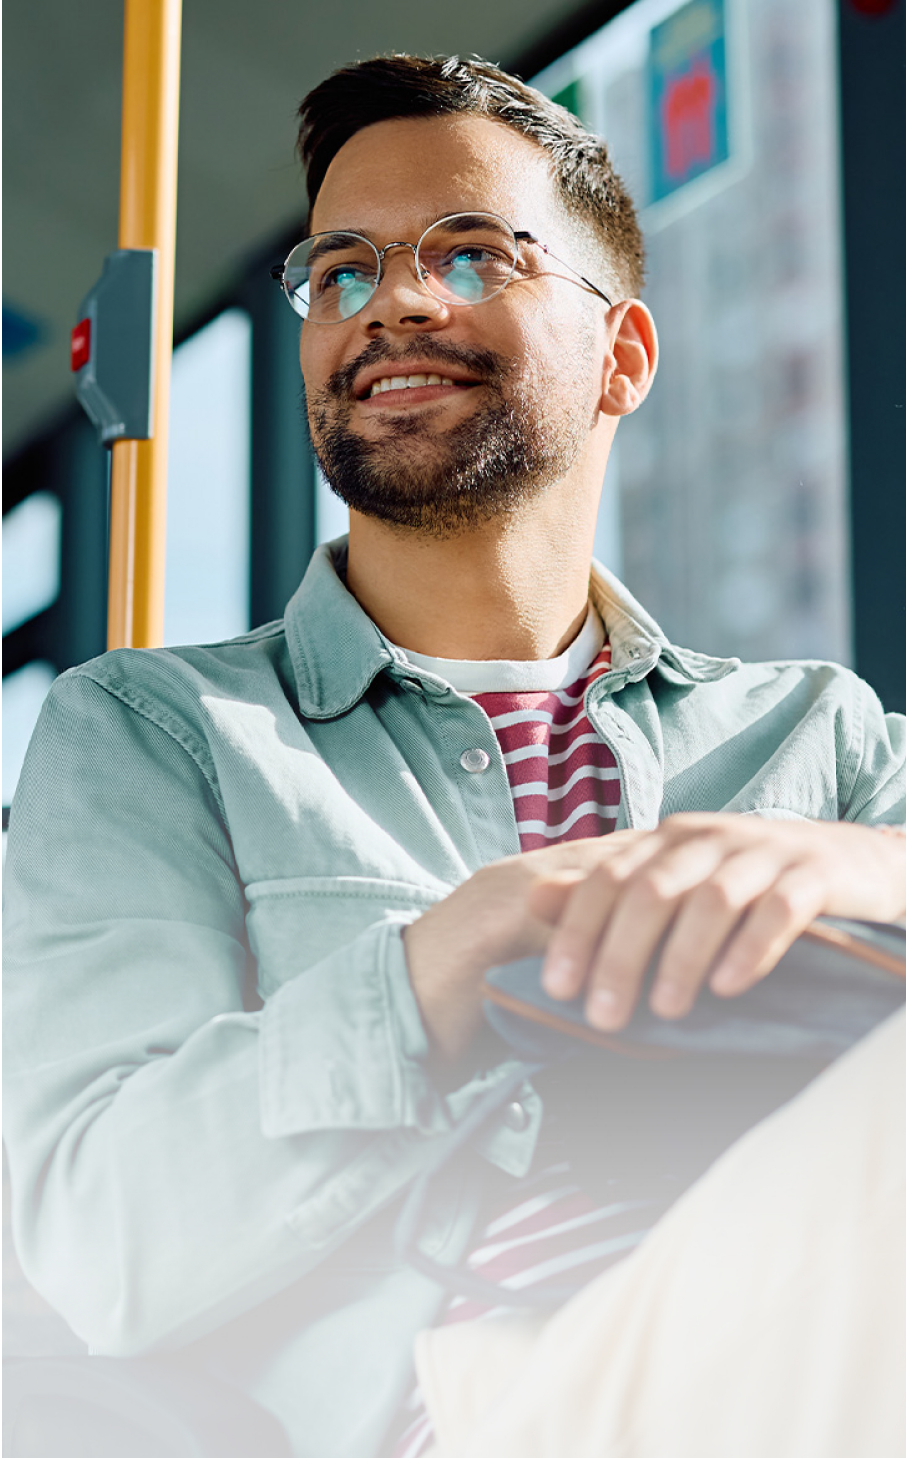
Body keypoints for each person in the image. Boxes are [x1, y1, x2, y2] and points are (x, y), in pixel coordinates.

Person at [3, 53, 905, 1458]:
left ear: (622, 355)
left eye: (470, 252)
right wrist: (464, 946)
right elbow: (104, 1242)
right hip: (472, 1397)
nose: (395, 300)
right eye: (341, 270)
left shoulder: (814, 736)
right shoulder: (155, 736)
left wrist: (841, 860)